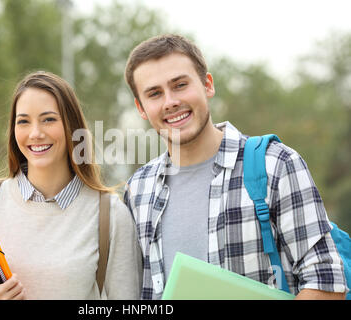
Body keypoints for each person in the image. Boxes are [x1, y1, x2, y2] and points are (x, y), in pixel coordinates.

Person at [123, 34, 347, 300]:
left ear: (207, 85)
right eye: (155, 93)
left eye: (180, 85)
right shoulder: (138, 189)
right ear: (141, 108)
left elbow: (326, 283)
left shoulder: (276, 164)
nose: (170, 101)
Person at [0, 71, 142, 300]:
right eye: (23, 122)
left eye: (48, 119)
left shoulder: (110, 215)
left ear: (72, 127)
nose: (35, 133)